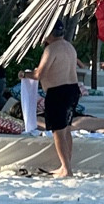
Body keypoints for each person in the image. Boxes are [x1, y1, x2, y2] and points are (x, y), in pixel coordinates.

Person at [23, 22, 82, 176]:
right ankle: (66, 165)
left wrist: (23, 74)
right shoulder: (69, 47)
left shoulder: (51, 49)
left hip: (59, 92)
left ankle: (66, 169)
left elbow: (38, 75)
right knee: (66, 129)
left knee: (59, 132)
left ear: (48, 34)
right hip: (72, 90)